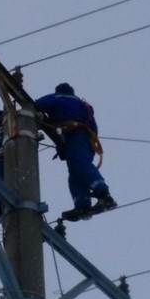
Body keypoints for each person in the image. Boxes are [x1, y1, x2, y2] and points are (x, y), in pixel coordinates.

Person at [36, 83, 116, 221]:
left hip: (76, 135)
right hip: (86, 140)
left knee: (80, 165)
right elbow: (94, 127)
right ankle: (82, 205)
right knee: (75, 171)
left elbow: (39, 104)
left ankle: (103, 194)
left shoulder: (59, 98)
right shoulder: (81, 104)